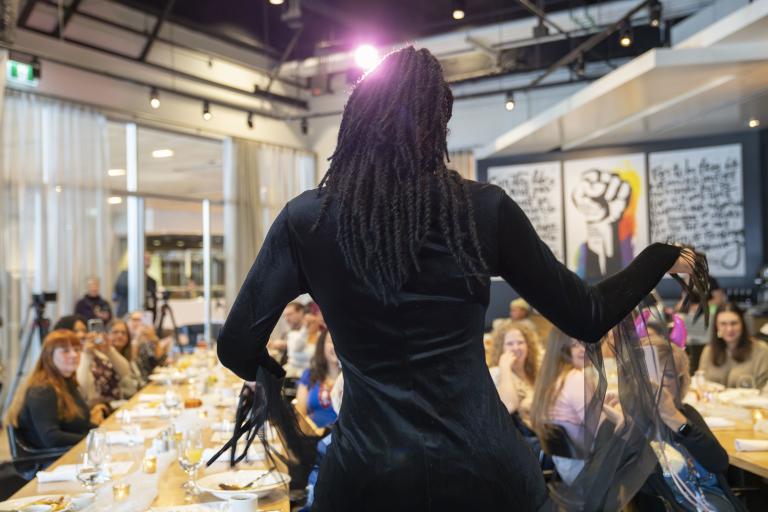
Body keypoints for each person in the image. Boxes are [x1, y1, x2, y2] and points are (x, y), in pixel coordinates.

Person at [216, 46, 695, 510]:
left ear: (356, 119)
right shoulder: (483, 210)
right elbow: (587, 315)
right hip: (484, 468)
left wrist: (277, 379)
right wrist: (658, 256)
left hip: (367, 471)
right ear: (438, 122)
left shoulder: (307, 220)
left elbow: (237, 345)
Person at [638, 338, 745, 512]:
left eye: (670, 375)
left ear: (680, 382)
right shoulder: (634, 424)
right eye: (656, 374)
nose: (663, 381)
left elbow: (719, 462)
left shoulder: (685, 413)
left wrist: (673, 417)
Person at [530, 331, 623, 486]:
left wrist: (604, 408)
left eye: (584, 343)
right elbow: (603, 432)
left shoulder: (554, 379)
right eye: (575, 345)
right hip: (587, 471)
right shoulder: (575, 378)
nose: (583, 349)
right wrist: (622, 416)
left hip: (567, 469)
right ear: (562, 350)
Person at [5, 330, 100, 450]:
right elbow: (52, 438)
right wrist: (93, 439)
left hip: (70, 451)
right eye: (66, 351)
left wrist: (103, 433)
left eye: (76, 349)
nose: (74, 355)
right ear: (49, 356)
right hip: (48, 461)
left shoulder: (66, 381)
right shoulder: (42, 389)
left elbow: (82, 423)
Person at [699, 303, 768, 389]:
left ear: (742, 324)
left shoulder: (761, 350)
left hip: (749, 401)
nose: (729, 329)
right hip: (713, 401)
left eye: (734, 323)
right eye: (723, 324)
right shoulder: (708, 350)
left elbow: (763, 389)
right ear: (717, 326)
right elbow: (701, 383)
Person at [490, 322, 540, 423]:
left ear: (528, 346)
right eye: (510, 344)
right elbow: (509, 406)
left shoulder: (534, 371)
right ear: (501, 348)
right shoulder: (497, 372)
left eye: (520, 342)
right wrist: (504, 367)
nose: (516, 348)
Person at [296, 331, 341, 429]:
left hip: (344, 440)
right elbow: (301, 414)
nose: (335, 346)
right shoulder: (309, 375)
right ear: (322, 345)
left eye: (340, 341)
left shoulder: (353, 379)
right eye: (331, 341)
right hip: (313, 436)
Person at [107, 319, 146, 398]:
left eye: (123, 333)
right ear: (107, 335)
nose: (120, 336)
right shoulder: (104, 358)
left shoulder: (130, 357)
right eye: (115, 332)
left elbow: (139, 381)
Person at [113, 252, 158, 319]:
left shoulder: (152, 281)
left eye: (149, 259)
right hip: (126, 314)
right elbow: (118, 294)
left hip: (146, 315)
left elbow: (152, 299)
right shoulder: (125, 276)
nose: (148, 261)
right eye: (145, 259)